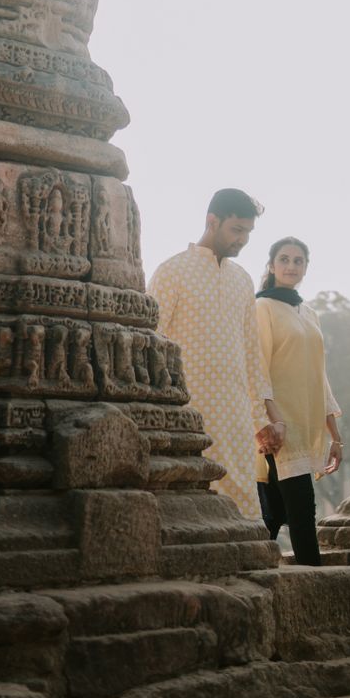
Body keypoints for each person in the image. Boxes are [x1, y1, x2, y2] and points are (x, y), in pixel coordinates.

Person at [149, 188, 283, 520]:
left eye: (248, 232)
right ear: (212, 221)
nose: (243, 240)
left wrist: (261, 419)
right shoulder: (172, 272)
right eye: (236, 230)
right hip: (187, 415)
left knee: (240, 497)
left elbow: (252, 356)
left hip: (235, 417)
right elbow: (149, 345)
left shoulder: (242, 280)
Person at [255, 236, 342, 565]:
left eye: (298, 260)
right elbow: (257, 369)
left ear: (306, 266)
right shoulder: (262, 308)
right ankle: (317, 587)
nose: (291, 266)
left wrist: (335, 435)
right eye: (284, 259)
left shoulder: (309, 313)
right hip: (279, 428)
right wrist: (271, 421)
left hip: (306, 427)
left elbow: (319, 377)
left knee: (273, 514)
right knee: (303, 513)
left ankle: (246, 576)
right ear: (272, 265)